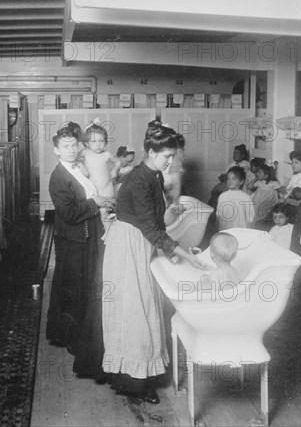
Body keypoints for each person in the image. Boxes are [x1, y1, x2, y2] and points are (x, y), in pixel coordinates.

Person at [102, 123, 210, 404]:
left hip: (140, 242)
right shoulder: (139, 179)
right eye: (166, 156)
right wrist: (184, 254)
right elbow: (151, 228)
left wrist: (168, 249)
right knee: (134, 311)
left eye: (173, 156)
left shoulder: (154, 176)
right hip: (127, 246)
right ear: (150, 152)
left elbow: (157, 221)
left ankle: (140, 374)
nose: (171, 161)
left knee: (145, 307)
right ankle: (132, 381)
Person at [45, 124, 115, 381]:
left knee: (82, 285)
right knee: (74, 287)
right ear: (56, 150)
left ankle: (78, 334)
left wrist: (103, 204)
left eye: (75, 144)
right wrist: (95, 203)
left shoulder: (78, 169)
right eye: (66, 146)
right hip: (74, 240)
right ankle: (72, 337)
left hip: (85, 236)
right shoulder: (59, 177)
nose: (72, 149)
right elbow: (70, 213)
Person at [78, 119, 120, 219]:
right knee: (94, 215)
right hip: (92, 192)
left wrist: (115, 170)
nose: (98, 144)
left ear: (105, 142)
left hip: (106, 191)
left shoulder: (106, 154)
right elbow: (75, 160)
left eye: (101, 141)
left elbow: (118, 161)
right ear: (87, 143)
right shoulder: (85, 153)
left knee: (105, 214)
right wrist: (82, 166)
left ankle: (108, 229)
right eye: (94, 141)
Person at [208, 144, 251, 209]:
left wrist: (225, 176)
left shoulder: (246, 164)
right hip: (227, 183)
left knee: (217, 196)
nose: (234, 155)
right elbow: (224, 176)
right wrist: (224, 176)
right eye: (234, 153)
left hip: (237, 185)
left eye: (237, 153)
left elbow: (237, 175)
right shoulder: (232, 164)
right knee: (213, 193)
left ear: (242, 155)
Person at [216, 166, 255, 230]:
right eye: (228, 178)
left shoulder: (246, 197)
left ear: (241, 181)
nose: (230, 181)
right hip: (225, 231)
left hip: (240, 232)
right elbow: (218, 216)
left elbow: (250, 218)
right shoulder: (222, 196)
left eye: (233, 179)